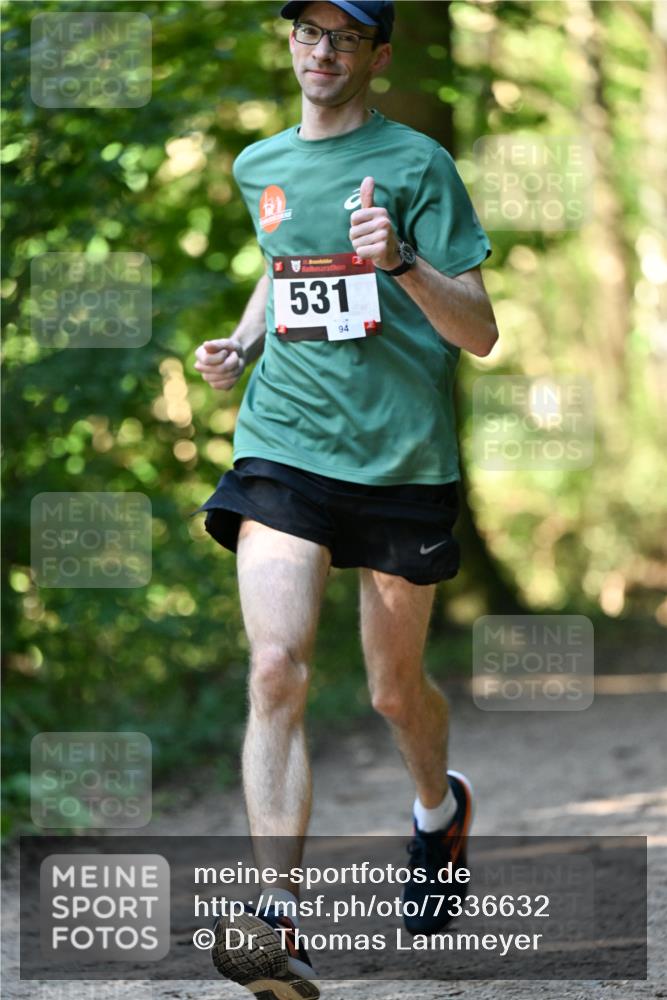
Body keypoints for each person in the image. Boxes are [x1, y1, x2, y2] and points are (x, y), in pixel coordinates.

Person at [191, 2, 498, 997]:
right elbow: (282, 267)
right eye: (307, 32)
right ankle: (277, 918)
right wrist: (244, 343)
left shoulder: (417, 165)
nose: (322, 52)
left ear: (378, 55)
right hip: (283, 446)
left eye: (345, 37)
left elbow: (479, 331)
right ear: (290, 43)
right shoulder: (259, 165)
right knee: (274, 666)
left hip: (401, 459)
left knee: (392, 692)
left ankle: (436, 809)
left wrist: (399, 259)